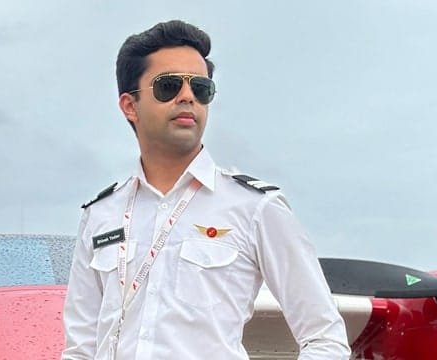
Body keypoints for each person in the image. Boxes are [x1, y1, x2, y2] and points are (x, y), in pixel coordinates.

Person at [62, 20, 350, 360]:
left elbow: (325, 337)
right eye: (168, 86)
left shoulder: (255, 207)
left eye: (201, 88)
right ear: (129, 105)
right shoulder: (101, 214)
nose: (187, 97)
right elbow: (80, 349)